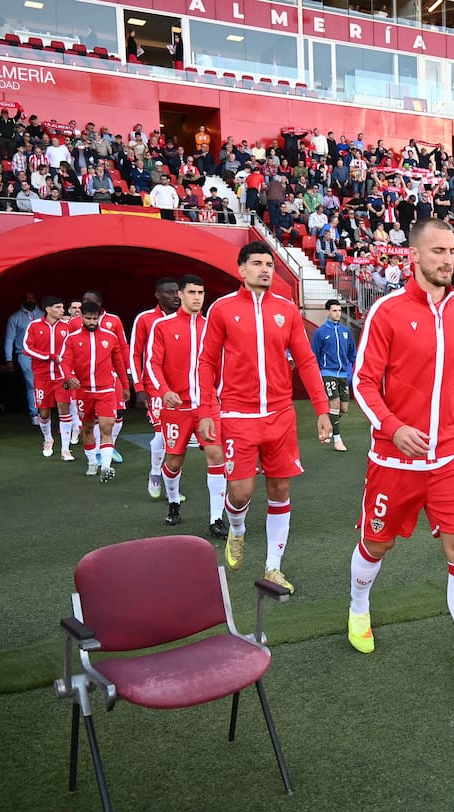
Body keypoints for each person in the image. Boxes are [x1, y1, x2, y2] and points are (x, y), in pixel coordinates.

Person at [349, 218, 454, 698]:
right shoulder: (388, 311)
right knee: (375, 546)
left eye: (453, 252)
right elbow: (363, 382)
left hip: (450, 461)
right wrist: (393, 428)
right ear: (415, 256)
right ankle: (359, 606)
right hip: (394, 461)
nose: (447, 260)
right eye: (438, 251)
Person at [197, 241, 331, 590]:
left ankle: (273, 567)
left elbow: (306, 361)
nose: (265, 269)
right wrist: (207, 410)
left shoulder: (286, 310)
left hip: (281, 416)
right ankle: (237, 530)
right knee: (240, 494)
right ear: (241, 269)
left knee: (280, 489)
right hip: (237, 415)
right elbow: (207, 363)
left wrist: (321, 409)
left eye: (269, 264)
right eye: (257, 263)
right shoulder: (223, 309)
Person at [145, 275, 227, 534]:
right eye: (192, 292)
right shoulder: (163, 326)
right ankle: (173, 503)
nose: (197, 297)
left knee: (216, 456)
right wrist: (164, 390)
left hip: (208, 405)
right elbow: (152, 363)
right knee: (173, 462)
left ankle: (216, 518)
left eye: (201, 292)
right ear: (180, 294)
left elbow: (224, 365)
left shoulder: (212, 328)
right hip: (176, 407)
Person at [60, 299, 129, 482]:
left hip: (106, 390)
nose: (91, 322)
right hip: (84, 391)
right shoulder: (72, 338)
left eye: (94, 318)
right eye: (88, 318)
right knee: (88, 428)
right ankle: (92, 463)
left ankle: (106, 466)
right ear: (81, 317)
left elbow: (119, 362)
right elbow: (65, 361)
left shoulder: (110, 337)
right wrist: (68, 377)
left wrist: (125, 385)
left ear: (99, 317)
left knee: (107, 427)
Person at [129, 277, 181, 499]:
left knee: (176, 439)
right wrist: (138, 387)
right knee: (161, 432)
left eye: (178, 291)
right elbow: (134, 353)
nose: (176, 296)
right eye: (170, 292)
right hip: (155, 387)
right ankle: (155, 474)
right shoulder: (145, 319)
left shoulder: (188, 319)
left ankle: (172, 485)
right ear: (158, 295)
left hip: (183, 389)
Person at [76, 290, 129, 465]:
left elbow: (122, 347)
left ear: (99, 304)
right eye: (83, 300)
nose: (83, 303)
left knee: (117, 414)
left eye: (88, 300)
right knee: (90, 422)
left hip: (110, 378)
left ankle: (108, 447)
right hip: (85, 381)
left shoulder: (113, 321)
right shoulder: (75, 323)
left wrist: (126, 375)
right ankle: (98, 453)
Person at [21, 295, 73, 460]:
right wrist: (50, 356)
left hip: (61, 376)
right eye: (58, 307)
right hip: (42, 376)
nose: (62, 310)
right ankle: (48, 439)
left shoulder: (67, 326)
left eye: (62, 307)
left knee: (64, 408)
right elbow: (27, 348)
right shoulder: (34, 326)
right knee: (43, 413)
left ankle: (65, 449)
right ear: (48, 309)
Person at [310, 299, 355, 453]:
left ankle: (327, 423)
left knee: (344, 408)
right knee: (334, 402)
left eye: (339, 310)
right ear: (328, 312)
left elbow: (352, 354)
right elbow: (314, 354)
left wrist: (357, 369)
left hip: (343, 374)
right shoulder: (320, 332)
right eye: (334, 310)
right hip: (327, 372)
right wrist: (316, 375)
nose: (337, 313)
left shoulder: (346, 331)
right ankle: (337, 440)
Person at [3, 291, 43, 425]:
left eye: (33, 298)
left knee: (45, 383)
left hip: (44, 355)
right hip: (25, 355)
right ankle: (34, 413)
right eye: (28, 298)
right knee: (32, 383)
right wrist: (8, 359)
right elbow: (9, 339)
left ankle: (45, 411)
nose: (30, 300)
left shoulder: (44, 315)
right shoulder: (15, 317)